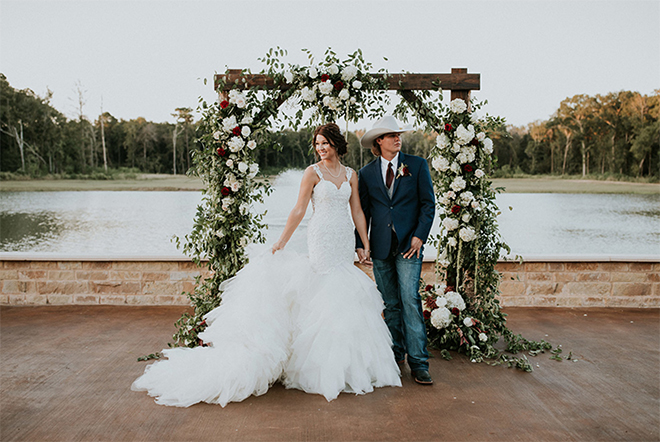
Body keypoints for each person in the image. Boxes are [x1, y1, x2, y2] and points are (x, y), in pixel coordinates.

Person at [132, 123, 401, 407]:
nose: (321, 148)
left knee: (344, 293)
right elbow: (299, 209)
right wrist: (281, 242)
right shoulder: (312, 173)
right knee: (323, 290)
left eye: (325, 143)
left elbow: (357, 209)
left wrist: (364, 242)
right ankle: (318, 368)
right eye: (317, 144)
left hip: (342, 238)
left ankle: (349, 367)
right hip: (321, 236)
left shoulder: (351, 175)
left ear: (336, 144)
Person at [356, 116, 436, 385]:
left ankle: (419, 363)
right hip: (379, 247)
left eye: (398, 134)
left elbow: (428, 205)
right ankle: (395, 354)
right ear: (379, 141)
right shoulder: (366, 173)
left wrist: (419, 237)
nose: (396, 138)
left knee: (410, 302)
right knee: (389, 305)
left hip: (408, 247)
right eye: (390, 135)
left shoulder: (416, 165)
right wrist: (360, 243)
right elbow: (362, 212)